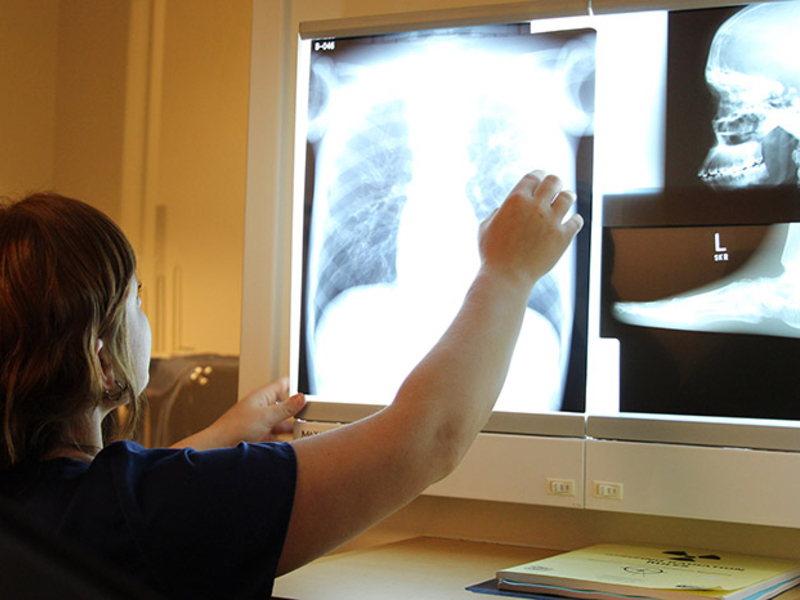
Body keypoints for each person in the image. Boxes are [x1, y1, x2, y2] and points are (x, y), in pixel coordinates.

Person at [0, 170, 582, 599]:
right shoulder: (142, 511)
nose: (145, 316)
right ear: (103, 361)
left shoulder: (38, 507)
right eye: (137, 299)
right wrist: (508, 273)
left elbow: (120, 506)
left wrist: (221, 433)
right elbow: (427, 437)